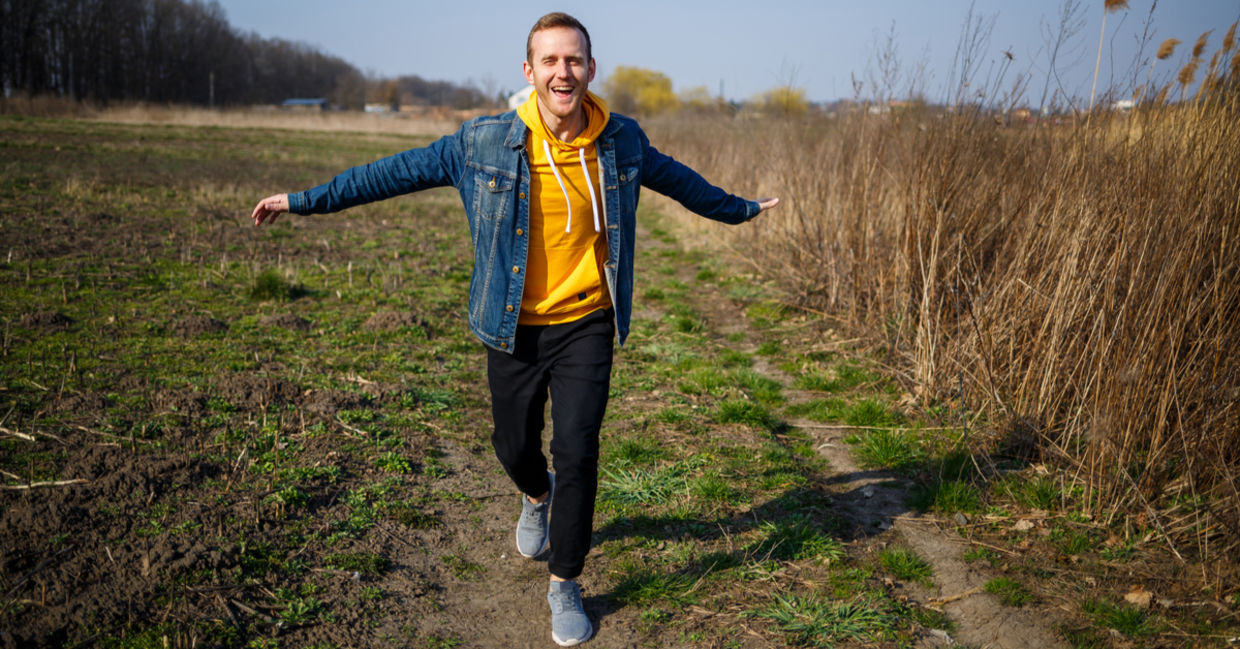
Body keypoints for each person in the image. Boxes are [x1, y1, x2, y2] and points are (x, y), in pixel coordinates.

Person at [250, 12, 778, 646]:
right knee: (513, 447)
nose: (563, 72)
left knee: (578, 451)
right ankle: (534, 495)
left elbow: (681, 181)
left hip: (587, 321)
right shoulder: (482, 143)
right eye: (550, 60)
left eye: (574, 60)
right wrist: (303, 200)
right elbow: (392, 173)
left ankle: (565, 582)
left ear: (591, 68)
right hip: (512, 325)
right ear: (529, 71)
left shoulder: (621, 141)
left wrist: (740, 210)